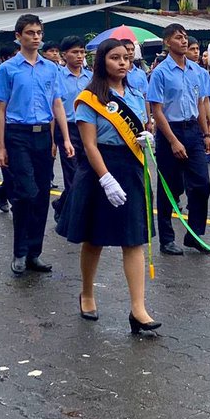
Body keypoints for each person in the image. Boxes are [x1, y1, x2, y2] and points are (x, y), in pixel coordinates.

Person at [56, 39, 159, 333]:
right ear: (102, 62)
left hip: (130, 167)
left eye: (126, 58)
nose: (122, 63)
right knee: (94, 238)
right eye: (115, 58)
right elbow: (88, 144)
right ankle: (87, 293)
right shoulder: (89, 97)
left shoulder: (137, 94)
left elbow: (142, 126)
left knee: (133, 238)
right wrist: (105, 178)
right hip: (100, 170)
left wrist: (146, 139)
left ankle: (138, 308)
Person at [0, 16, 73, 274]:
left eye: (39, 32)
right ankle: (19, 251)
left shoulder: (51, 68)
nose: (36, 37)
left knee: (41, 195)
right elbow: (0, 108)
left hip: (42, 135)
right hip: (17, 135)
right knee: (26, 192)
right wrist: (0, 146)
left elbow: (57, 103)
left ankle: (34, 252)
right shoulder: (8, 69)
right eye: (30, 33)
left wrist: (65, 138)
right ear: (19, 36)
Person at [147, 23, 210, 256]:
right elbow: (157, 110)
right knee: (168, 188)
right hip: (170, 131)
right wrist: (173, 141)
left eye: (185, 37)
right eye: (178, 37)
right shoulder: (160, 73)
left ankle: (195, 235)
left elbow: (201, 103)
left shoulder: (198, 71)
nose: (184, 41)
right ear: (168, 42)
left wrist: (206, 133)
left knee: (202, 185)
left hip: (193, 130)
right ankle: (166, 239)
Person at [52, 35, 92, 221]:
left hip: (89, 129)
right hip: (67, 129)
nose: (79, 56)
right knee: (72, 174)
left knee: (87, 173)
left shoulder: (90, 78)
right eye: (75, 52)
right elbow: (53, 108)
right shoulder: (57, 77)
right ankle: (73, 217)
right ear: (64, 55)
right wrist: (53, 139)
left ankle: (61, 204)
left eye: (82, 52)